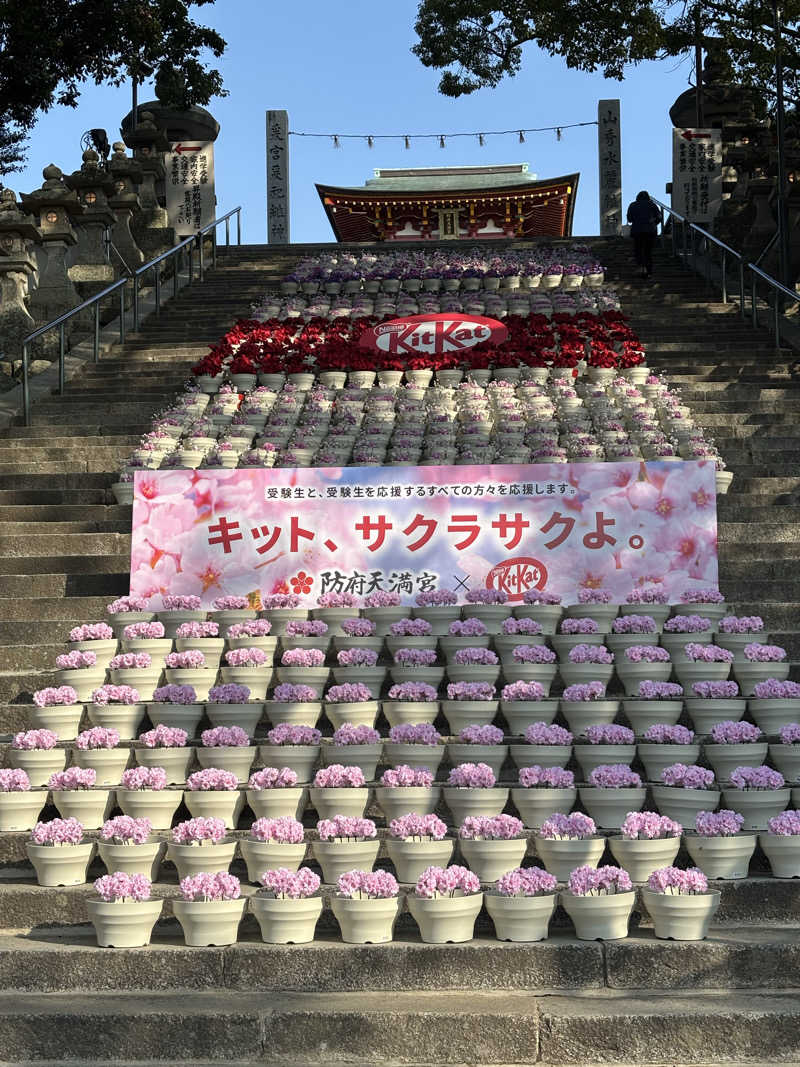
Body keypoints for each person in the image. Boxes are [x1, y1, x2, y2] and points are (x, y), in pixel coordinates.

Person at [626, 191, 663, 278]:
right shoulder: (652, 205)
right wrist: (654, 223)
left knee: (638, 250)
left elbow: (629, 219)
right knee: (648, 251)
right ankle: (649, 271)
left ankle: (641, 268)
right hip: (650, 231)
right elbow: (659, 217)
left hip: (637, 231)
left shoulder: (633, 205)